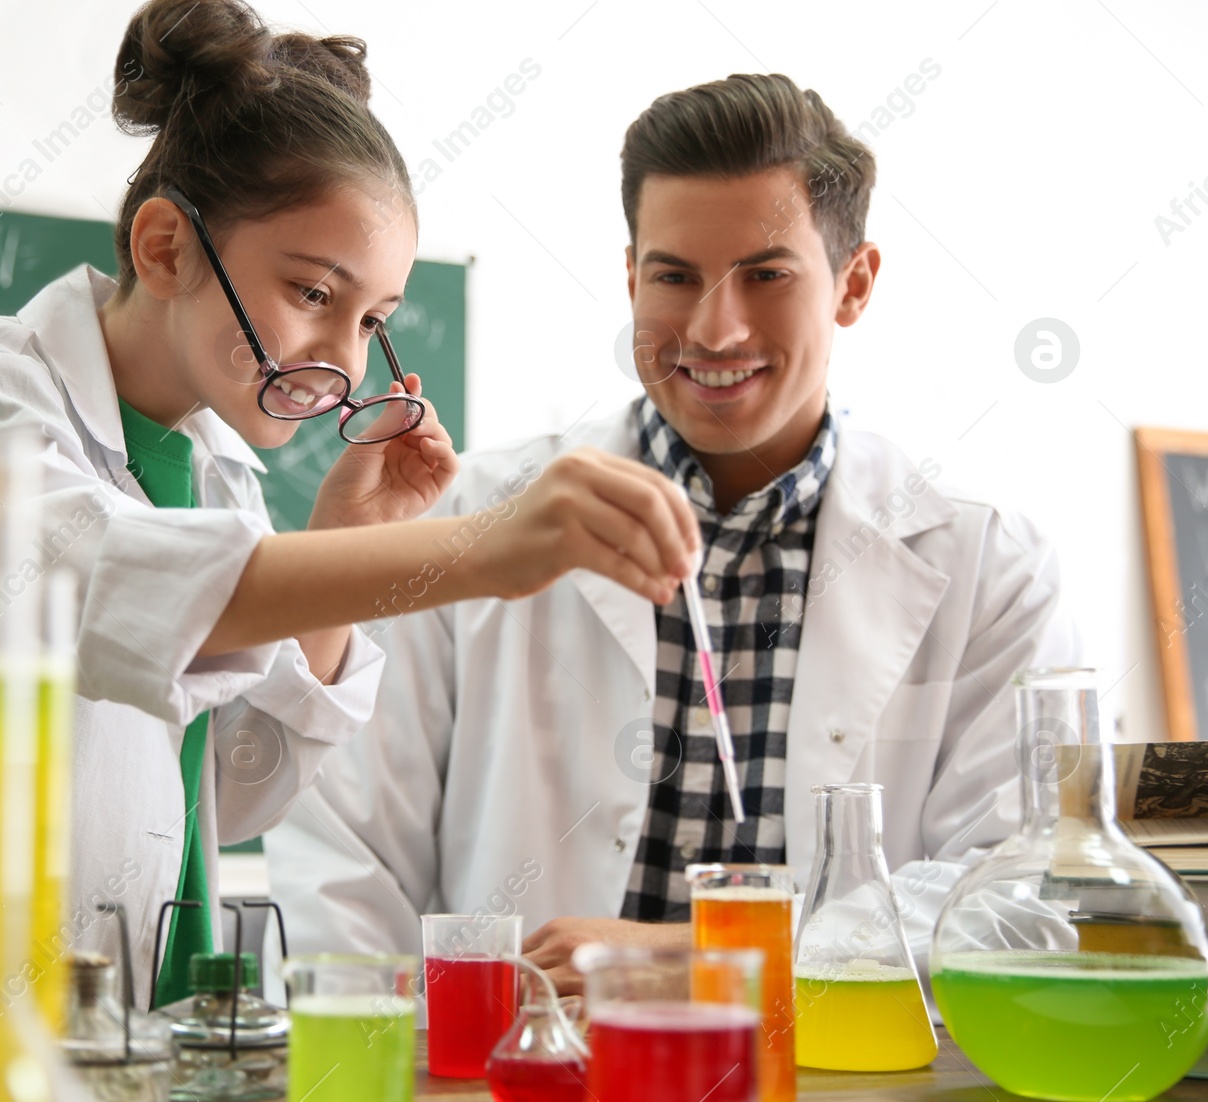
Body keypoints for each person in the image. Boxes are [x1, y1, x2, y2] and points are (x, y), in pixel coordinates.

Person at [0, 0, 700, 1009]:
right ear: (164, 248)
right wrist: (475, 549)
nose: (342, 359)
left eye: (371, 317)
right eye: (311, 293)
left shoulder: (215, 472)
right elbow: (84, 583)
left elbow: (232, 788)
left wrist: (348, 546)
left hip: (110, 1027)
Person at [265, 73, 1081, 993]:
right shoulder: (466, 518)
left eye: (766, 275)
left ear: (854, 285)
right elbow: (341, 852)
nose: (714, 328)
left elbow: (1017, 900)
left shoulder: (988, 564)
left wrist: (708, 961)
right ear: (630, 278)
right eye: (674, 276)